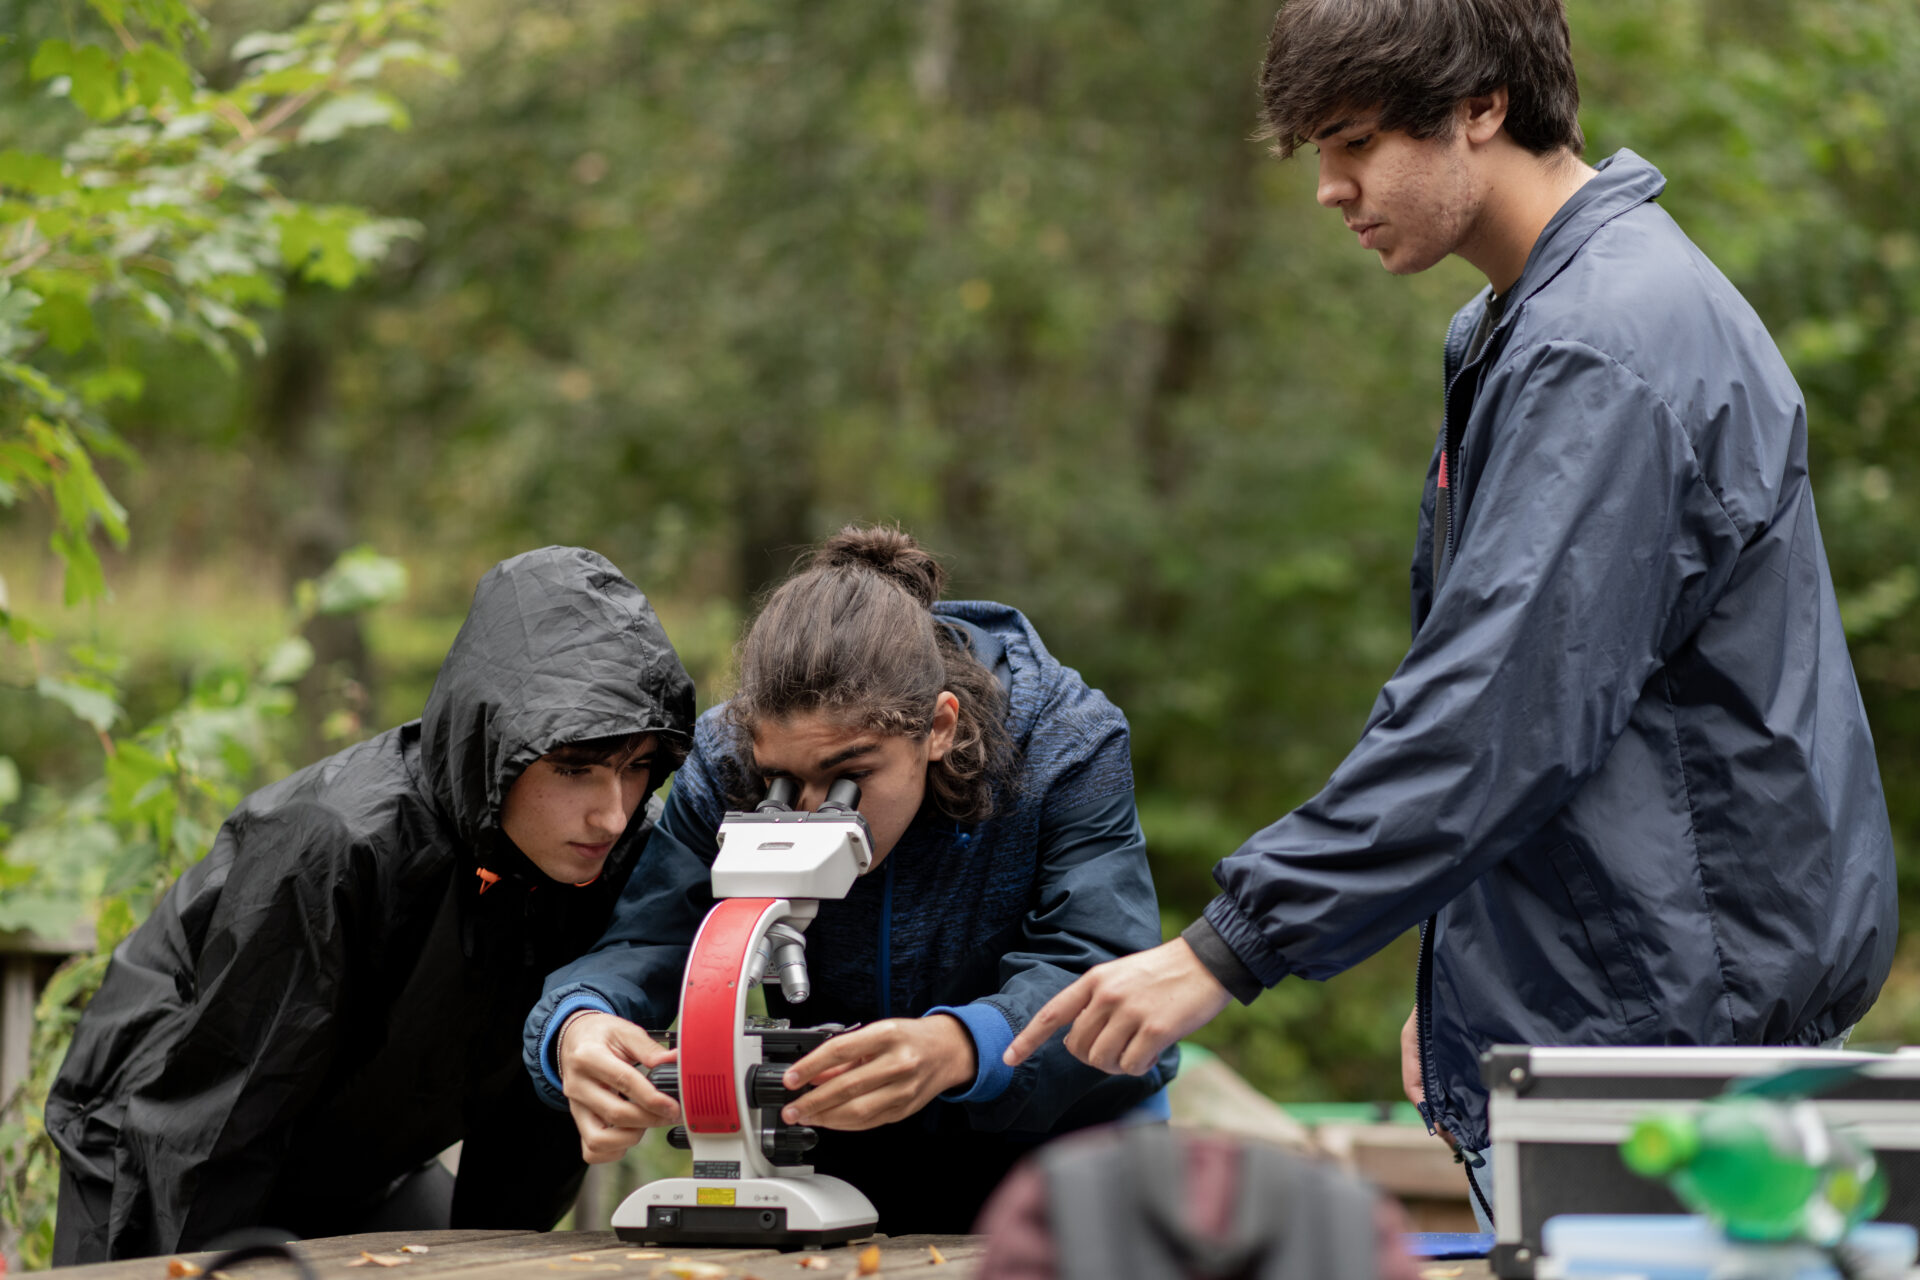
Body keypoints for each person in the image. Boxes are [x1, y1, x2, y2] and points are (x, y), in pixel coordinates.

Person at [1007, 0, 1896, 1227]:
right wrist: (1475, 963)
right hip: (1615, 1016)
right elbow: (1565, 714)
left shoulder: (1606, 345)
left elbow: (1496, 709)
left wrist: (1224, 944)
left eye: (1355, 141)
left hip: (1680, 1058)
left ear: (1482, 107)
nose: (1330, 188)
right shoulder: (1518, 326)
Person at [47, 546, 695, 1262]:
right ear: (495, 741)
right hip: (157, 1148)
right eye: (575, 769)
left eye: (637, 768)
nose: (612, 813)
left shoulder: (601, 856)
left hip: (356, 1159)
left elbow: (530, 1131)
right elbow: (216, 1121)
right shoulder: (333, 846)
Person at [523, 526, 1176, 1232]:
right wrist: (578, 1023)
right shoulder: (724, 756)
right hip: (843, 1162)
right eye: (783, 779)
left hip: (1069, 1161)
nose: (809, 812)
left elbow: (1103, 964)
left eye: (849, 777)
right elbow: (651, 938)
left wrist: (963, 1045)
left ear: (939, 727)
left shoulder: (1067, 744)